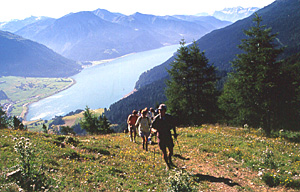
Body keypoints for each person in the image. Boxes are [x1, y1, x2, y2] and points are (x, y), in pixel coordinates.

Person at [151, 104, 177, 170]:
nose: (161, 111)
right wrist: (154, 131)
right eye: (160, 110)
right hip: (160, 135)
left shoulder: (169, 117)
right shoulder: (156, 118)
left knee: (171, 150)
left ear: (165, 110)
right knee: (164, 151)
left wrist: (175, 133)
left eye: (162, 110)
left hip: (168, 134)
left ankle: (169, 159)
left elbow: (173, 125)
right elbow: (151, 127)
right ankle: (167, 164)